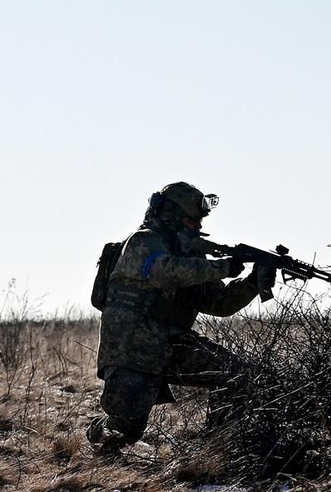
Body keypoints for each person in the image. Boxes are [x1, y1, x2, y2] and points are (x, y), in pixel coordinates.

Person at [88, 182, 277, 452]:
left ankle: (217, 450)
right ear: (171, 216)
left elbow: (219, 304)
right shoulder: (143, 241)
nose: (197, 227)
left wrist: (252, 282)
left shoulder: (191, 257)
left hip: (172, 344)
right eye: (191, 220)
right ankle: (97, 430)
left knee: (235, 374)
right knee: (123, 431)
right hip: (133, 350)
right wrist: (223, 266)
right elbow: (163, 272)